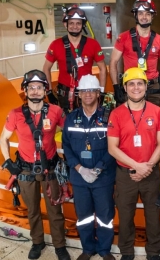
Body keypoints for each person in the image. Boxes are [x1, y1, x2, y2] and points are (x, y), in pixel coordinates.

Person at [0, 70, 70, 260]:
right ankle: (37, 242)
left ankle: (60, 246)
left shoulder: (55, 111)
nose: (35, 91)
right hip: (25, 169)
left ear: (45, 90)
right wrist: (9, 163)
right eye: (31, 88)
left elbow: (70, 133)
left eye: (39, 87)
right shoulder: (15, 114)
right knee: (33, 210)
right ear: (25, 90)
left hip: (51, 168)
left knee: (55, 210)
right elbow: (3, 138)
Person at [107, 67, 160, 260]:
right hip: (125, 175)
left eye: (140, 83)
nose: (136, 87)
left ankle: (154, 252)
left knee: (153, 216)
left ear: (146, 87)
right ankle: (127, 252)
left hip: (151, 173)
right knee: (125, 216)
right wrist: (137, 166)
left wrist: (146, 167)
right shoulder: (116, 114)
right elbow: (112, 148)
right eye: (131, 84)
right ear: (125, 87)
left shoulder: (157, 112)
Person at [61, 75, 116, 260]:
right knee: (83, 215)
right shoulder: (70, 118)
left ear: (98, 94)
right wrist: (78, 168)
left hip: (104, 177)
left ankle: (104, 250)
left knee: (105, 216)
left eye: (91, 90)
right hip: (79, 178)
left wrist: (99, 168)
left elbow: (114, 146)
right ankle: (88, 248)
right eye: (84, 91)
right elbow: (66, 147)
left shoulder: (109, 117)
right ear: (79, 94)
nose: (88, 94)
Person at [43, 5, 107, 113]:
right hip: (65, 95)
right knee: (67, 125)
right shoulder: (56, 45)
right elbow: (46, 68)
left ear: (83, 25)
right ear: (65, 24)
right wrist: (49, 92)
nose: (75, 26)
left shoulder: (93, 44)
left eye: (78, 23)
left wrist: (101, 91)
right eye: (71, 23)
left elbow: (103, 69)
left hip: (88, 93)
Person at [109, 0, 160, 108]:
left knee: (153, 120)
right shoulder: (123, 38)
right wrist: (115, 86)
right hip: (132, 85)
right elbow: (113, 62)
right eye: (141, 13)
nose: (144, 17)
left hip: (153, 87)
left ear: (153, 16)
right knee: (130, 121)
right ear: (135, 15)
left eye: (148, 14)